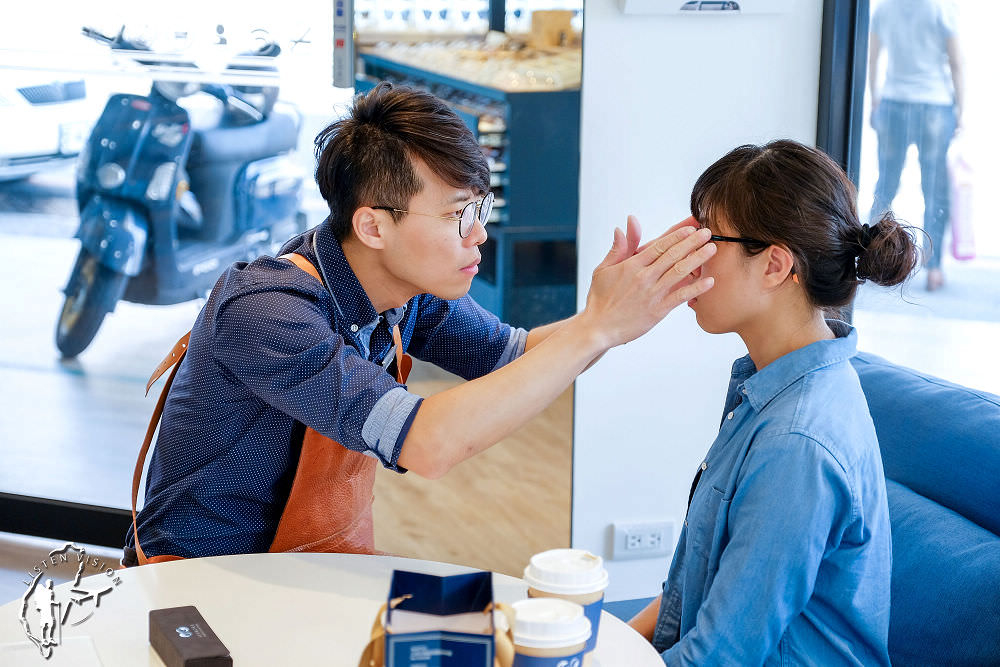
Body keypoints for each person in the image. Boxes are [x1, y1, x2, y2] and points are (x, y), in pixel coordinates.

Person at [122, 82, 717, 565]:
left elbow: (517, 358)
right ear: (374, 226)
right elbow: (427, 444)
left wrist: (614, 310)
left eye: (480, 209)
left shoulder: (404, 288)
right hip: (201, 585)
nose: (478, 235)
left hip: (312, 566)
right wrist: (598, 328)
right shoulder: (268, 310)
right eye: (458, 215)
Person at [628, 140, 919, 665]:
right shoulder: (770, 386)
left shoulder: (795, 442)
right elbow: (693, 589)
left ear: (775, 266)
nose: (687, 257)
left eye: (705, 237)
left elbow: (722, 656)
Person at [868, 0, 963, 291]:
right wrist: (961, 108)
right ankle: (933, 269)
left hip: (894, 101)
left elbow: (873, 57)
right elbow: (956, 62)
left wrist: (875, 99)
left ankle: (870, 255)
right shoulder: (941, 8)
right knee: (934, 190)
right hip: (935, 104)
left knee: (886, 184)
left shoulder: (885, 9)